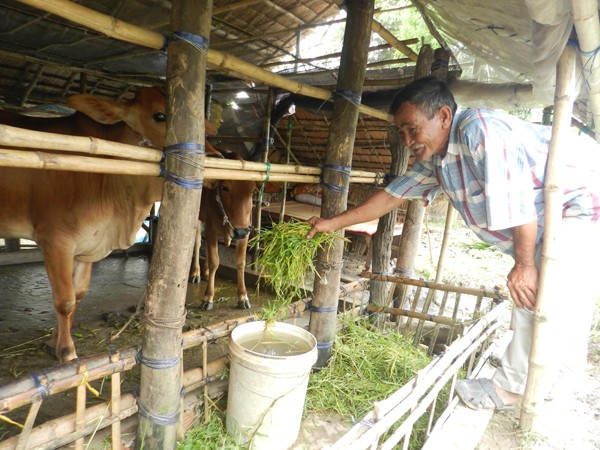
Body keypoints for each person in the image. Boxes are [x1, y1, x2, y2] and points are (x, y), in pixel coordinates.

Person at [306, 76, 600, 410]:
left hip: (581, 204)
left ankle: (514, 389)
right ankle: (545, 380)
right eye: (400, 133)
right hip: (551, 219)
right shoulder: (437, 160)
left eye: (412, 129)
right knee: (546, 297)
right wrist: (332, 222)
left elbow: (519, 201)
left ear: (444, 116)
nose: (406, 140)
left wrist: (525, 265)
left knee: (538, 292)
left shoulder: (478, 131)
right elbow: (390, 196)